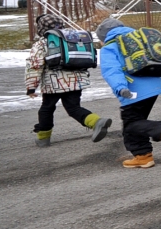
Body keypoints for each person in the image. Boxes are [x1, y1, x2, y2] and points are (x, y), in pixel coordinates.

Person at [95, 18, 161, 169]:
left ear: (104, 37)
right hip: (153, 86)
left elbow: (111, 71)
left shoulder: (109, 47)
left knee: (131, 125)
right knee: (137, 122)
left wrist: (120, 88)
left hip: (132, 89)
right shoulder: (139, 39)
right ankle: (143, 156)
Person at [25, 13, 112, 147]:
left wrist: (31, 86)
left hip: (53, 83)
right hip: (76, 81)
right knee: (73, 107)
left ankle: (43, 137)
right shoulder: (73, 38)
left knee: (46, 109)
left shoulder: (43, 42)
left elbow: (35, 65)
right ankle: (96, 122)